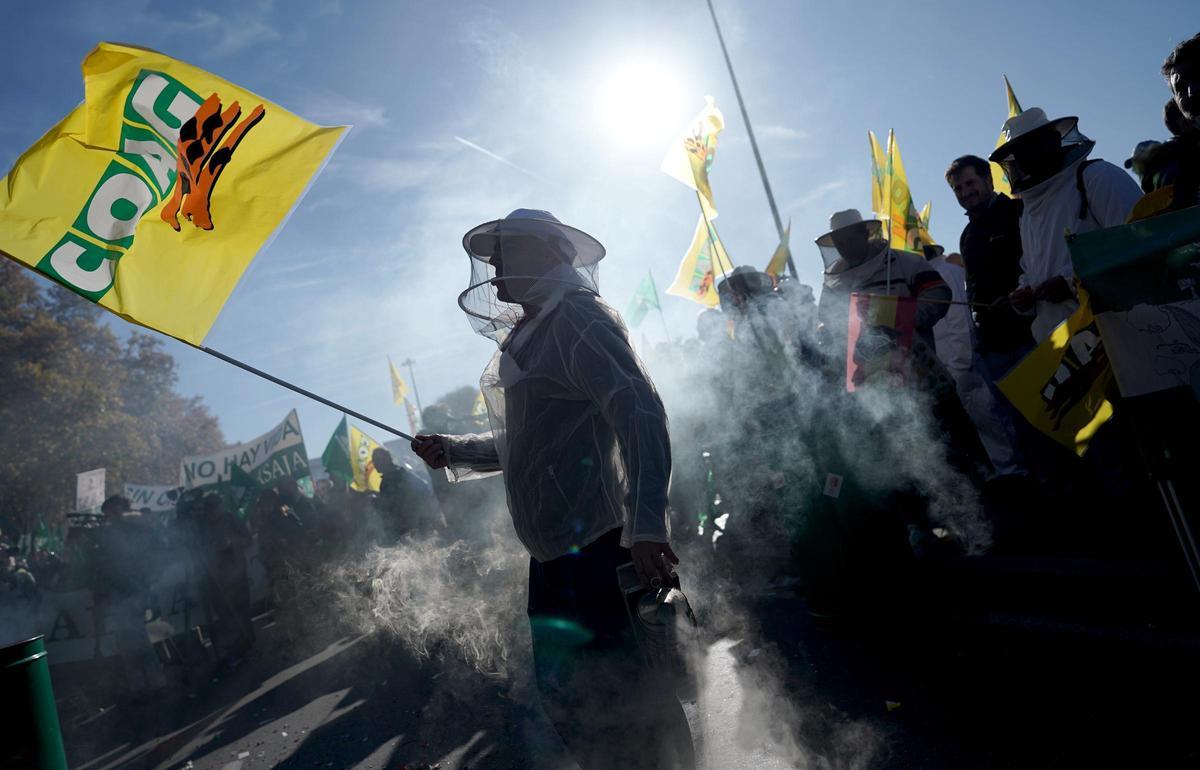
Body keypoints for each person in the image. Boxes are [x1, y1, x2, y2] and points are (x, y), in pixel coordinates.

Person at [410, 208, 693, 769]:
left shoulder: (578, 321)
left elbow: (640, 414)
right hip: (553, 559)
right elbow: (526, 444)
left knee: (634, 701)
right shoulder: (534, 332)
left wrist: (645, 526)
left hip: (601, 548)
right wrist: (455, 449)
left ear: (545, 252)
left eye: (502, 257)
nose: (492, 272)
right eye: (489, 261)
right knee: (575, 704)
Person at [990, 108, 1142, 341]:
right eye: (1018, 153)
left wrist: (1071, 285)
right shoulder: (1027, 213)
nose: (1024, 158)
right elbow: (1033, 269)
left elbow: (1140, 245)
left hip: (1119, 332)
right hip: (1064, 347)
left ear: (1052, 141)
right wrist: (1025, 294)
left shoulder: (1098, 177)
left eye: (1031, 147)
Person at [945, 155, 1034, 381]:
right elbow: (973, 291)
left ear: (988, 179)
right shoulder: (967, 237)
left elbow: (1042, 265)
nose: (965, 192)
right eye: (957, 188)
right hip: (994, 350)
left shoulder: (1019, 211)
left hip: (1034, 337)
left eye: (970, 183)